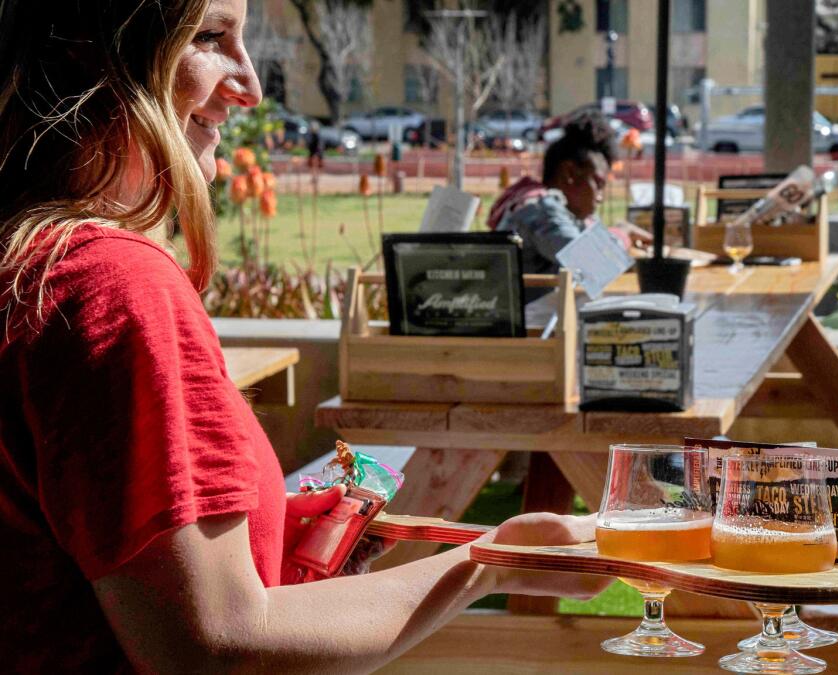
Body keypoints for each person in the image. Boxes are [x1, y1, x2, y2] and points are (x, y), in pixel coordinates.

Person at [0, 1, 606, 671]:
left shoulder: (31, 263)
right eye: (211, 37)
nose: (252, 86)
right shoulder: (113, 287)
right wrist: (491, 563)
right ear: (100, 51)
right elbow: (220, 645)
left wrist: (261, 535)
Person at [489, 112, 650, 273]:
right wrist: (623, 234)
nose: (600, 198)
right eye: (598, 184)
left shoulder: (565, 212)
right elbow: (596, 265)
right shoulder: (540, 210)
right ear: (570, 174)